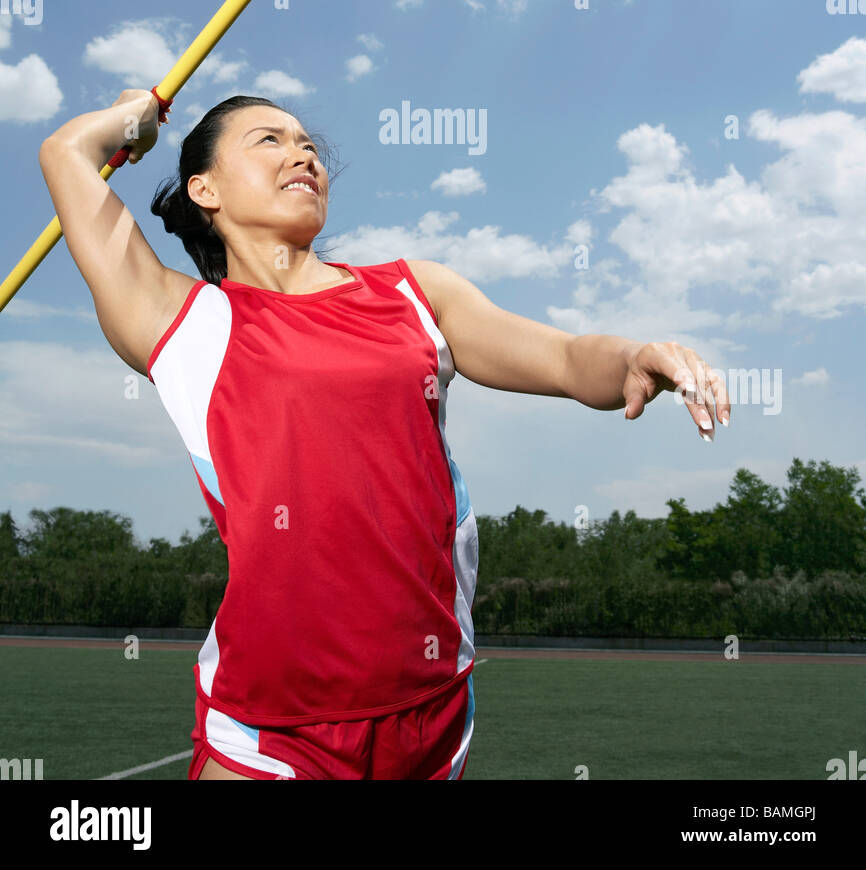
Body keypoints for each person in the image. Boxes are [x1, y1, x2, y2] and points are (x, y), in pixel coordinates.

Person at [38, 88, 730, 780]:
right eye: (269, 140)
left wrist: (633, 356)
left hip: (429, 715)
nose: (303, 151)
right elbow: (66, 152)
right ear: (205, 188)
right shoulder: (180, 321)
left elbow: (568, 359)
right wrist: (138, 120)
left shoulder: (412, 294)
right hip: (270, 730)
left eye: (309, 142)